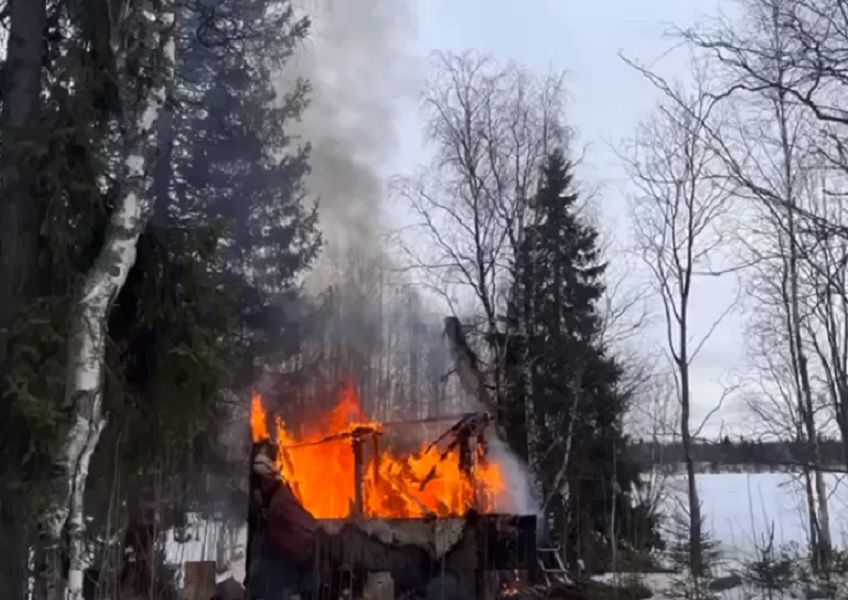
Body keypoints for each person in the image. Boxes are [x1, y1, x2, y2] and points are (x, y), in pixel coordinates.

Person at [246, 442, 318, 600]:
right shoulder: (276, 502)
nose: (258, 490)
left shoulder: (281, 503)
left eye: (260, 483)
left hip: (288, 574)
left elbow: (309, 533)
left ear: (267, 481)